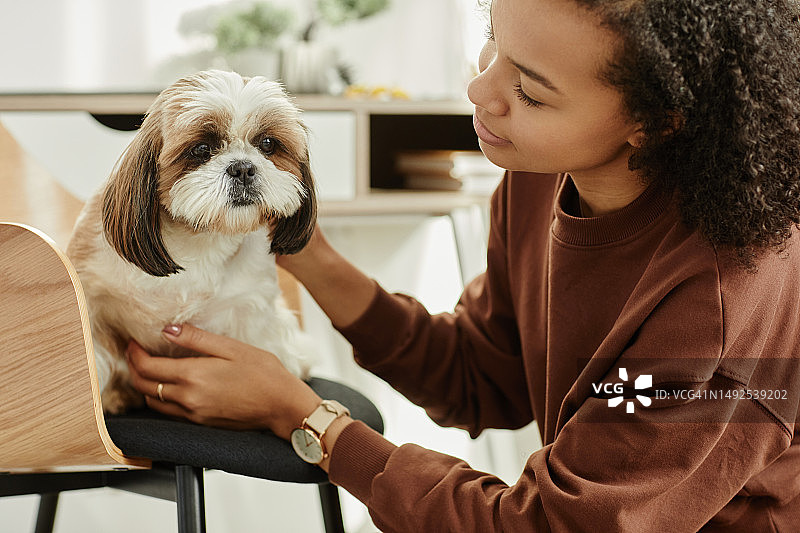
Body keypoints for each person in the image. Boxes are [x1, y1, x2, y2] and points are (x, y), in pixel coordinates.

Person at [126, 0, 800, 530]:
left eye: (529, 92)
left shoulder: (720, 301)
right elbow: (482, 374)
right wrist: (314, 257)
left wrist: (305, 418)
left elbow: (546, 525)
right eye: (493, 42)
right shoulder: (543, 177)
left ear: (655, 122)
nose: (481, 88)